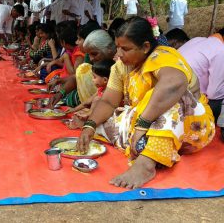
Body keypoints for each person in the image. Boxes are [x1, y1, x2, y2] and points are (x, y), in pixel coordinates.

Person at [78, 17, 215, 189]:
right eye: (118, 47)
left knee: (173, 98)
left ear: (145, 47)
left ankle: (146, 165)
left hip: (191, 126)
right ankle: (145, 146)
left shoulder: (162, 55)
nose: (118, 54)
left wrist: (143, 123)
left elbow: (175, 83)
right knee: (113, 117)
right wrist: (90, 124)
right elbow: (108, 101)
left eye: (125, 49)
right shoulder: (120, 67)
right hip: (150, 126)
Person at [178, 29, 224, 126]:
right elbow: (214, 93)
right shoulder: (221, 50)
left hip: (168, 87)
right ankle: (211, 128)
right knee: (218, 96)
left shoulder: (197, 39)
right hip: (183, 98)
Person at [66, 59, 116, 129]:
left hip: (107, 116)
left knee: (96, 99)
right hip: (94, 113)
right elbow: (87, 102)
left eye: (94, 77)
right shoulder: (100, 89)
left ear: (105, 80)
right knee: (80, 111)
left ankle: (81, 124)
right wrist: (74, 109)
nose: (92, 80)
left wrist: (88, 114)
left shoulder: (112, 92)